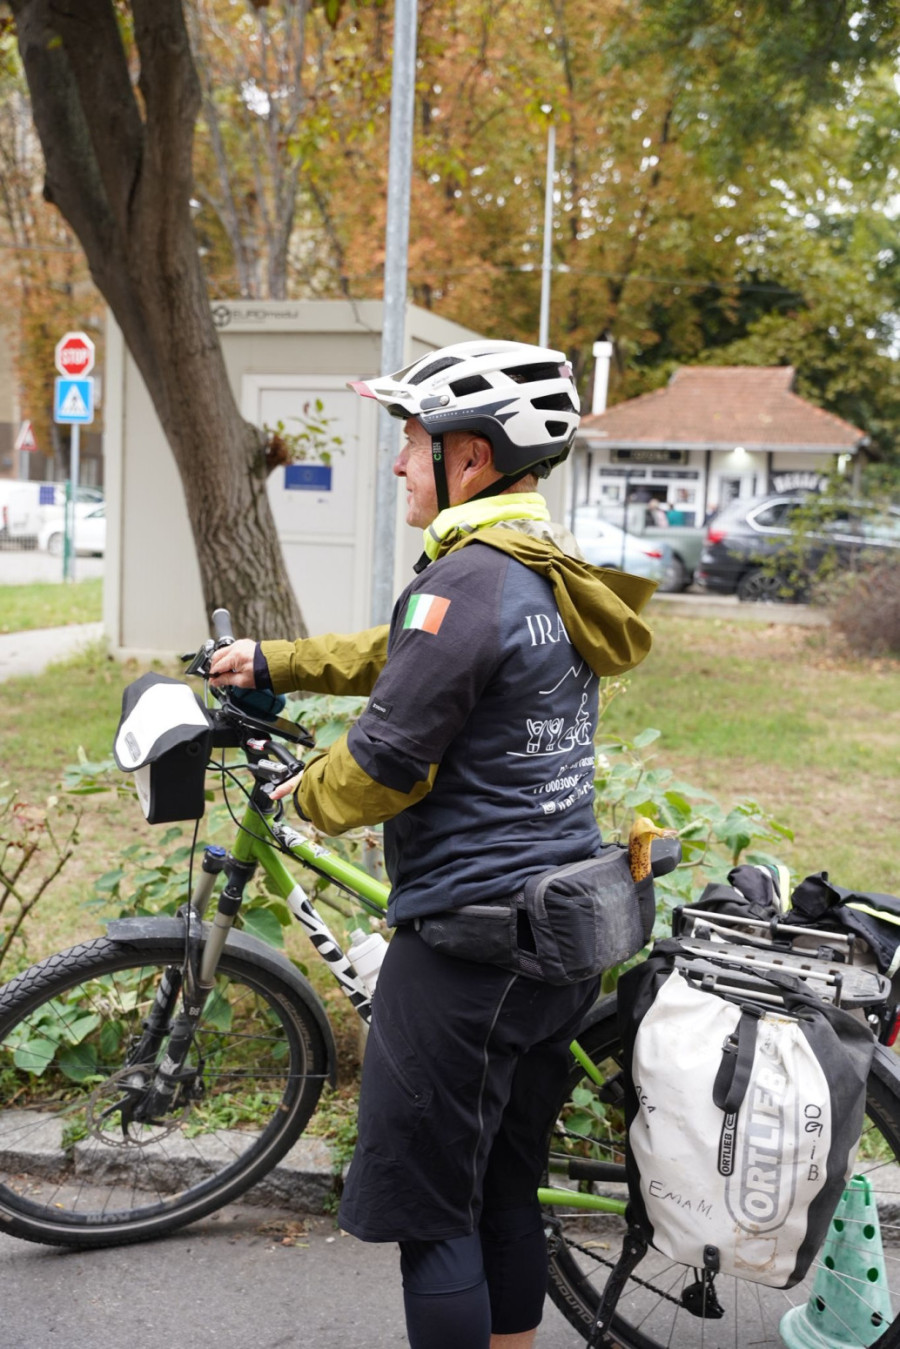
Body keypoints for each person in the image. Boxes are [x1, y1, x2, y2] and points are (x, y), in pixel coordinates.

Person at [209, 339, 655, 1349]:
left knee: (432, 1216)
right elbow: (401, 647)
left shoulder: (464, 587)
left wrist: (305, 790)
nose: (401, 462)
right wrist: (275, 658)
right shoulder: (538, 571)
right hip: (561, 931)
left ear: (472, 457)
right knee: (502, 1188)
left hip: (468, 952)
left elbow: (387, 761)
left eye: (413, 441)